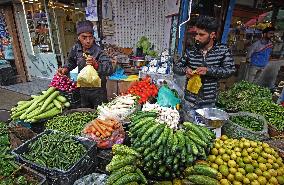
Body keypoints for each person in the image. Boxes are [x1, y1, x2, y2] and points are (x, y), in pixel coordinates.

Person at [174, 16, 235, 113]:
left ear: (212, 35)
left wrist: (208, 70)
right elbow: (176, 67)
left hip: (209, 101)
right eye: (196, 34)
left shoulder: (223, 50)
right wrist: (185, 70)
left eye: (201, 35)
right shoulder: (191, 51)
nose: (197, 38)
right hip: (190, 100)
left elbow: (230, 70)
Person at [57, 20, 113, 109]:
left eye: (90, 37)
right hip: (82, 90)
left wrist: (96, 65)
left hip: (98, 91)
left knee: (100, 114)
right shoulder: (76, 48)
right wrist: (65, 69)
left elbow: (109, 69)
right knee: (84, 112)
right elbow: (71, 62)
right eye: (84, 37)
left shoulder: (99, 51)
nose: (88, 41)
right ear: (78, 37)